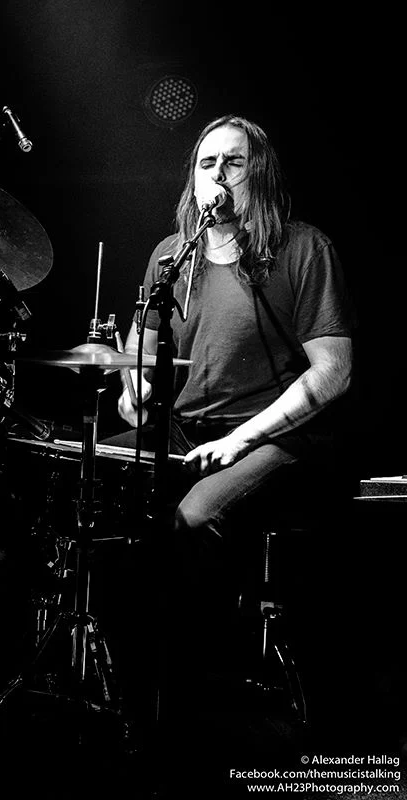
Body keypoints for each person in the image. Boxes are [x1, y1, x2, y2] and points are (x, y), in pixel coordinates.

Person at [106, 113, 355, 756]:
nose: (218, 175)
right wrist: (135, 388)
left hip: (278, 436)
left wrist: (242, 438)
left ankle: (198, 700)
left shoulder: (302, 248)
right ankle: (118, 688)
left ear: (258, 174)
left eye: (233, 163)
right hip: (187, 431)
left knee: (194, 518)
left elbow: (333, 372)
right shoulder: (172, 256)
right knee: (94, 485)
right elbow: (141, 357)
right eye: (206, 163)